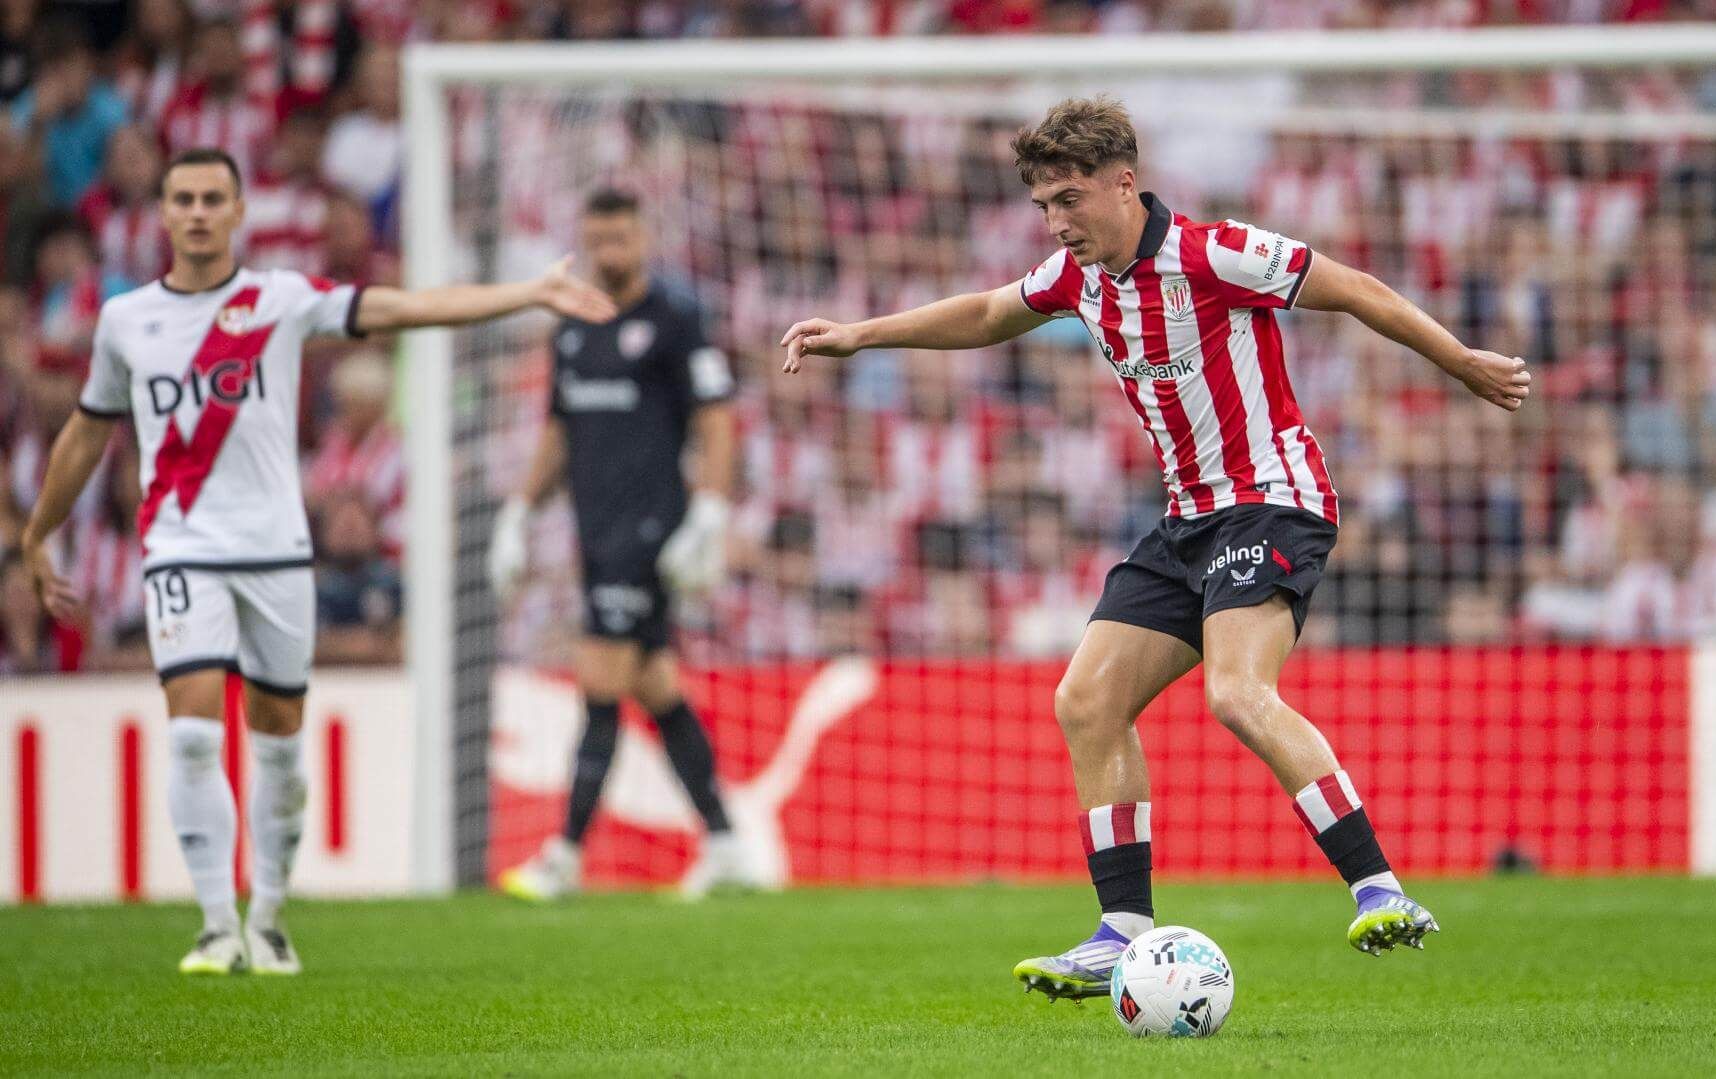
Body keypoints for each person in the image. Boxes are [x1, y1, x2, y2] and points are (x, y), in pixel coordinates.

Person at [780, 97, 1531, 1000]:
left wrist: (1462, 360)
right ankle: (1120, 931)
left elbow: (1353, 288)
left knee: (1235, 690)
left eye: (1071, 198)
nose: (1058, 221)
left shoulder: (1213, 253)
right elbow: (986, 313)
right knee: (1087, 699)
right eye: (1043, 206)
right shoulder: (1076, 278)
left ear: (1124, 182)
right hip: (1186, 520)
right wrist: (861, 335)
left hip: (1272, 501)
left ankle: (1380, 889)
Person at [19, 146, 615, 976]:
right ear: (162, 214)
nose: (195, 212)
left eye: (211, 198)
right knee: (193, 735)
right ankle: (214, 923)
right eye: (182, 198)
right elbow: (89, 429)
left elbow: (409, 308)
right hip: (182, 550)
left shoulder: (280, 300)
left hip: (277, 554)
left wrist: (529, 292)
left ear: (236, 213)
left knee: (280, 751)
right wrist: (37, 530)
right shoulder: (127, 321)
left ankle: (268, 917)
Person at [490, 188, 759, 901]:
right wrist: (519, 508)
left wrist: (708, 510)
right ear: (584, 241)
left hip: (649, 528)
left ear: (642, 238)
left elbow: (717, 414)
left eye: (621, 237)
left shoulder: (674, 319)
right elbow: (558, 427)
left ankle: (566, 855)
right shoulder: (573, 328)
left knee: (600, 679)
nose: (610, 250)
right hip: (593, 525)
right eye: (598, 238)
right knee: (654, 684)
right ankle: (727, 841)